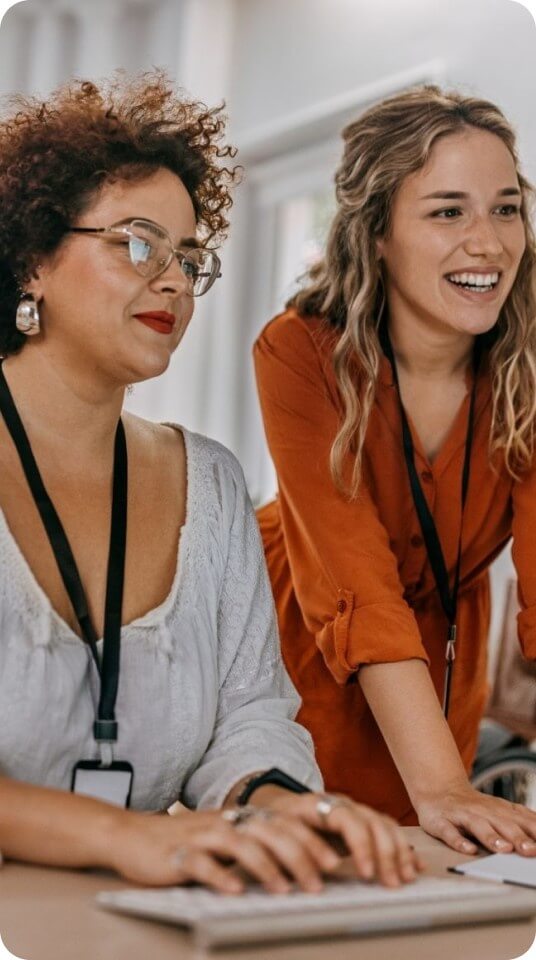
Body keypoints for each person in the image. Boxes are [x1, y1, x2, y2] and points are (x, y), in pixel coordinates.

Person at [0, 72, 421, 894]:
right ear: (31, 260)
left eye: (190, 256)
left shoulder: (212, 483)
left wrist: (286, 806)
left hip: (133, 919)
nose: (174, 281)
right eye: (136, 243)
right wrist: (126, 838)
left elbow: (250, 717)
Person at [254, 85, 536, 857]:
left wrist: (447, 785)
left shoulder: (530, 366)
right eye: (449, 211)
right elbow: (356, 584)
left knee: (441, 870)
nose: (489, 243)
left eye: (506, 208)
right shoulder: (299, 352)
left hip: (444, 661)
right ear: (377, 231)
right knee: (323, 872)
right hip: (308, 646)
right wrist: (442, 784)